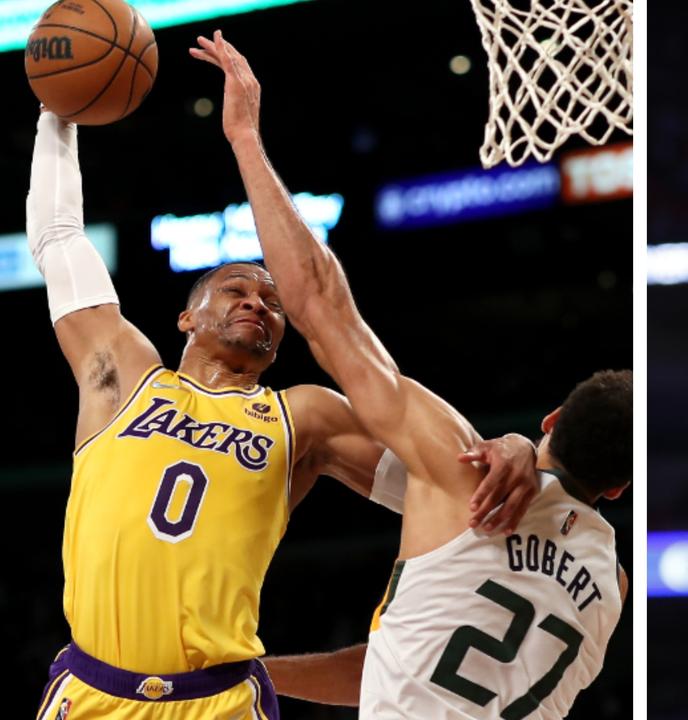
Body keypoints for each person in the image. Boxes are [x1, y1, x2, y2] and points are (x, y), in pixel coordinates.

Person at [26, 105, 540, 719]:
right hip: (91, 693)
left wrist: (514, 450)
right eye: (236, 290)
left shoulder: (304, 417)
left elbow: (447, 485)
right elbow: (58, 238)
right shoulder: (123, 377)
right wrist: (56, 114)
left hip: (218, 702)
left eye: (272, 300)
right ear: (187, 318)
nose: (257, 303)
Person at [189, 31, 631, 718]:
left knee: (324, 421)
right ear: (621, 485)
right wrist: (255, 673)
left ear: (551, 419)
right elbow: (408, 656)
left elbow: (316, 304)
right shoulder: (613, 586)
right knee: (326, 434)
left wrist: (245, 135)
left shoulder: (459, 471)